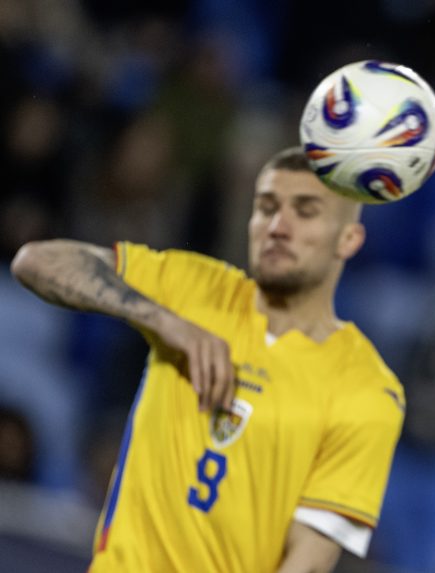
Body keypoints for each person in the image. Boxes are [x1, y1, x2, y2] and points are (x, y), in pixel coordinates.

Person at [11, 147, 406, 572]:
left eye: (304, 212)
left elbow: (307, 562)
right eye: (265, 208)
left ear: (348, 239)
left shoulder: (368, 389)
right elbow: (36, 261)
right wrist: (164, 322)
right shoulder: (195, 290)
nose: (277, 227)